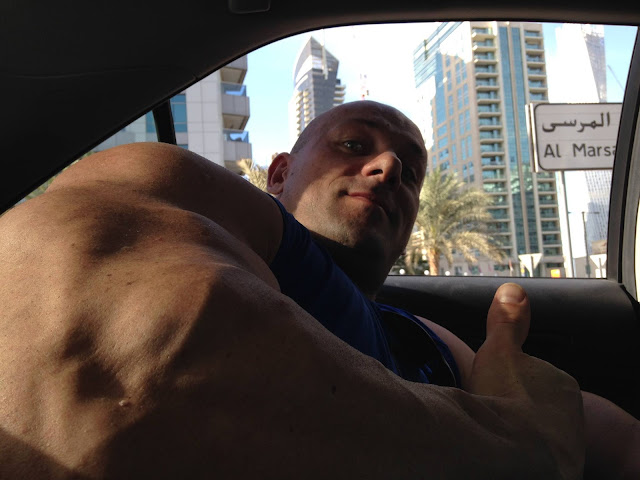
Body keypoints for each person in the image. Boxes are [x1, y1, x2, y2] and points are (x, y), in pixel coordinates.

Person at [0, 100, 620, 478]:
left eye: (410, 173)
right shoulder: (165, 190)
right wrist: (519, 447)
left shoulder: (434, 341)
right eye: (354, 145)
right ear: (278, 174)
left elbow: (607, 441)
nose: (387, 168)